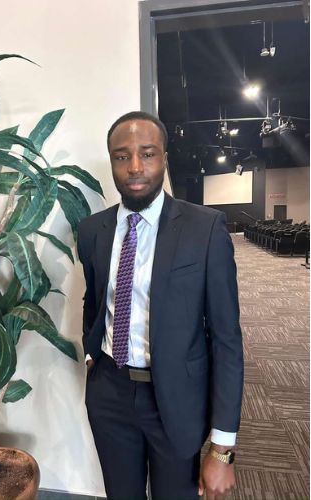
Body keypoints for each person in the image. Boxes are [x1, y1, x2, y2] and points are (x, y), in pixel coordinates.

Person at [77, 111, 244, 500]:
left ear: (164, 158)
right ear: (112, 162)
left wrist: (222, 447)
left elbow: (227, 340)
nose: (135, 166)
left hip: (176, 398)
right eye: (122, 156)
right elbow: (95, 300)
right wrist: (91, 355)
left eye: (147, 154)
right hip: (110, 394)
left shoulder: (205, 229)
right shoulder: (92, 230)